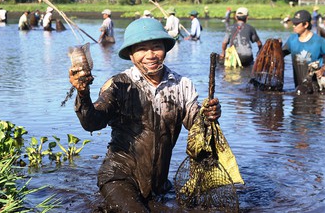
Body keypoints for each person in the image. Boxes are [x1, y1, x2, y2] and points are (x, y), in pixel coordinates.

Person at [68, 18, 221, 212]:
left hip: (159, 185)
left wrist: (209, 114)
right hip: (118, 175)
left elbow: (195, 124)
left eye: (156, 47)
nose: (150, 55)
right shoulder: (119, 85)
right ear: (131, 55)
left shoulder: (182, 86)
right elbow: (92, 123)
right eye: (141, 49)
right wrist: (83, 93)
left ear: (165, 49)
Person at [282, 10, 325, 91]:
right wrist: (276, 46)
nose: (293, 26)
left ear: (306, 24)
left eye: (296, 24)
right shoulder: (292, 39)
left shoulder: (319, 41)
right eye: (293, 23)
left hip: (314, 88)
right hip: (298, 86)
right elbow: (281, 54)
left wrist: (323, 69)